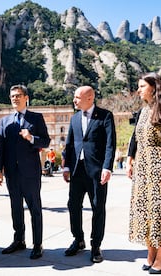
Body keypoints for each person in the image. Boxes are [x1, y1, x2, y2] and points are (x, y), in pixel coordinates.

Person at [126, 72, 161, 274]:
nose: (138, 90)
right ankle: (150, 254)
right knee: (145, 210)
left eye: (142, 86)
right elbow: (135, 138)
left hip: (159, 165)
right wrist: (130, 159)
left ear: (153, 87)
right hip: (142, 167)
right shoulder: (141, 112)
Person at [0, 84, 50, 260]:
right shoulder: (5, 121)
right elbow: (1, 147)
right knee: (15, 207)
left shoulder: (36, 118)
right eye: (12, 96)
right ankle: (19, 240)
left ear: (26, 97)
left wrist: (31, 137)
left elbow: (46, 142)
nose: (15, 99)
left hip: (30, 173)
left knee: (35, 208)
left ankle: (37, 244)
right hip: (12, 173)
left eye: (18, 95)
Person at [62, 85, 116, 263]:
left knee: (98, 207)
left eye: (77, 97)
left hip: (97, 172)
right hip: (77, 171)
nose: (74, 100)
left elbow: (110, 144)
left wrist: (107, 167)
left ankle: (96, 246)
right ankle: (78, 240)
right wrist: (66, 167)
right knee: (73, 205)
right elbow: (69, 144)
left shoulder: (105, 116)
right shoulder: (74, 118)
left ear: (90, 98)